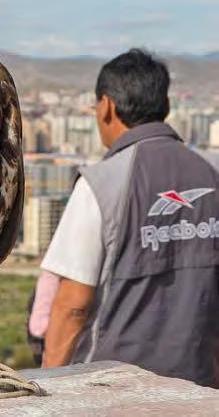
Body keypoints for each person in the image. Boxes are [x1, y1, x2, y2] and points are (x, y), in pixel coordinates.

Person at [40, 49, 219, 388]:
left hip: (112, 387)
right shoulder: (212, 172)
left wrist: (51, 387)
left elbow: (72, 305)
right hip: (200, 384)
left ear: (106, 106)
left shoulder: (102, 184)